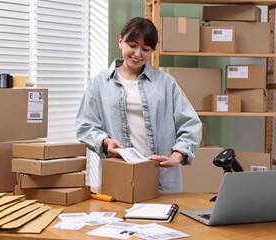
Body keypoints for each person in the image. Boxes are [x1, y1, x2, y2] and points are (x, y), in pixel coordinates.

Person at [75, 17, 202, 191]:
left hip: (161, 179)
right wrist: (105, 142)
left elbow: (191, 124)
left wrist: (176, 157)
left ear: (152, 51)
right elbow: (85, 125)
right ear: (121, 41)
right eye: (132, 46)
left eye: (145, 49)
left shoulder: (166, 83)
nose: (138, 54)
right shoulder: (100, 82)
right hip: (118, 176)